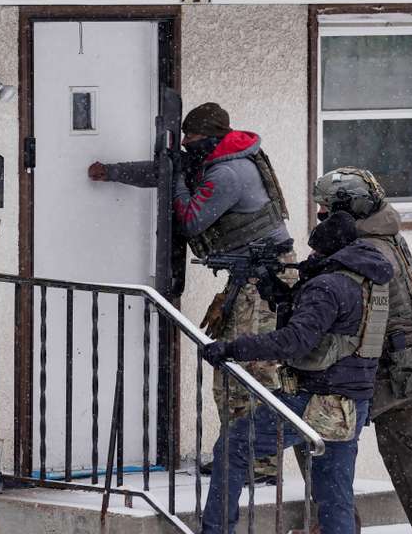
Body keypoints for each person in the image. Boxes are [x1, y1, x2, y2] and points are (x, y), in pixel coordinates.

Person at [89, 101, 292, 479]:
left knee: (248, 372)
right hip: (250, 279)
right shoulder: (218, 159)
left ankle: (257, 463)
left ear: (210, 138)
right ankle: (244, 458)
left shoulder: (230, 173)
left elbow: (190, 218)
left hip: (262, 282)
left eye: (191, 137)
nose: (185, 142)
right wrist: (112, 172)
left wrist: (177, 177)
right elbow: (163, 174)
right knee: (238, 371)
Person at [200, 210, 392, 534]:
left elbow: (294, 340)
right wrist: (272, 285)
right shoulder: (366, 279)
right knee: (334, 495)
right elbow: (322, 321)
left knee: (232, 448)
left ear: (328, 250)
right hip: (350, 403)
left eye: (315, 251)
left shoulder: (329, 286)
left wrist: (232, 348)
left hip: (315, 398)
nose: (311, 256)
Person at [312, 168, 412, 534]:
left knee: (317, 438)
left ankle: (339, 527)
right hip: (410, 366)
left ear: (348, 209)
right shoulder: (388, 234)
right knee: (410, 467)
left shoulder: (364, 248)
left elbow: (349, 313)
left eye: (326, 210)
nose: (321, 216)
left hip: (386, 368)